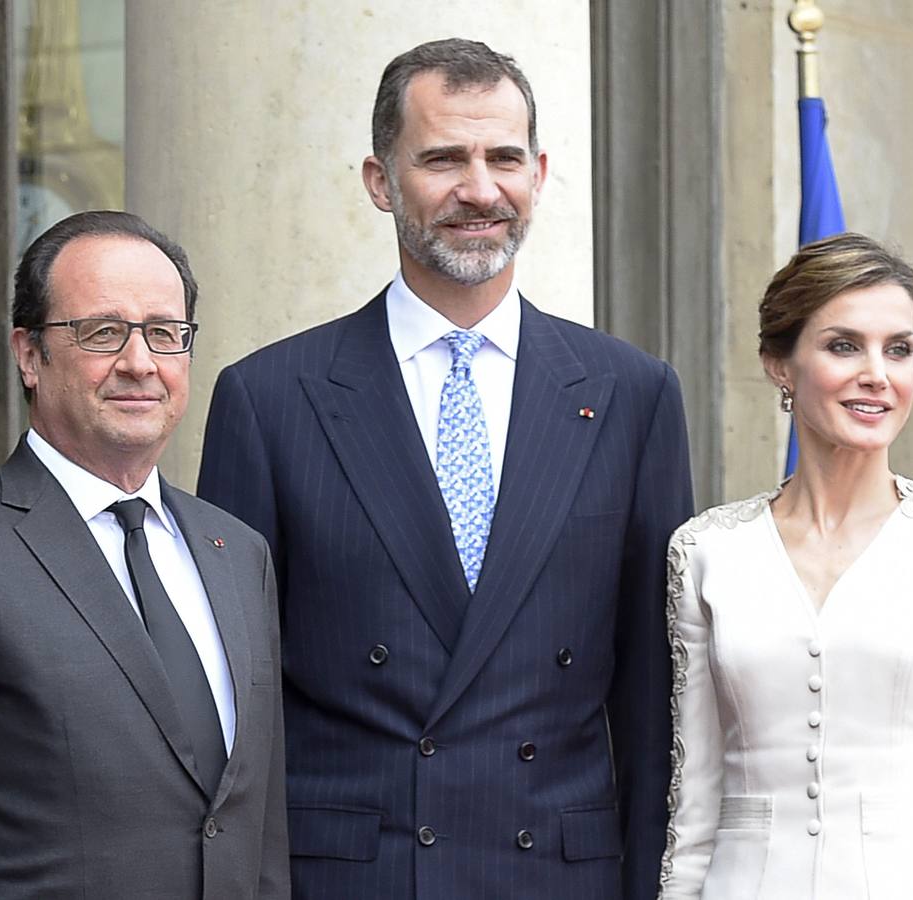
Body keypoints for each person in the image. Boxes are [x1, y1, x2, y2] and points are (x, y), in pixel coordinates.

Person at [197, 37, 692, 900]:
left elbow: (655, 697)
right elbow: (235, 702)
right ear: (380, 180)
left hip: (559, 877)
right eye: (442, 159)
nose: (479, 188)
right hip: (354, 878)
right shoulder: (269, 398)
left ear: (538, 173)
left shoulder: (631, 392)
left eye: (503, 157)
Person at [0, 211, 289, 899]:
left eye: (165, 333)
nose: (139, 362)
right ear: (29, 354)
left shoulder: (239, 555)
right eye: (102, 332)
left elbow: (256, 834)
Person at [662, 233, 913, 899]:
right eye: (842, 345)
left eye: (899, 349)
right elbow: (693, 803)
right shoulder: (705, 551)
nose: (876, 374)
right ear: (778, 362)